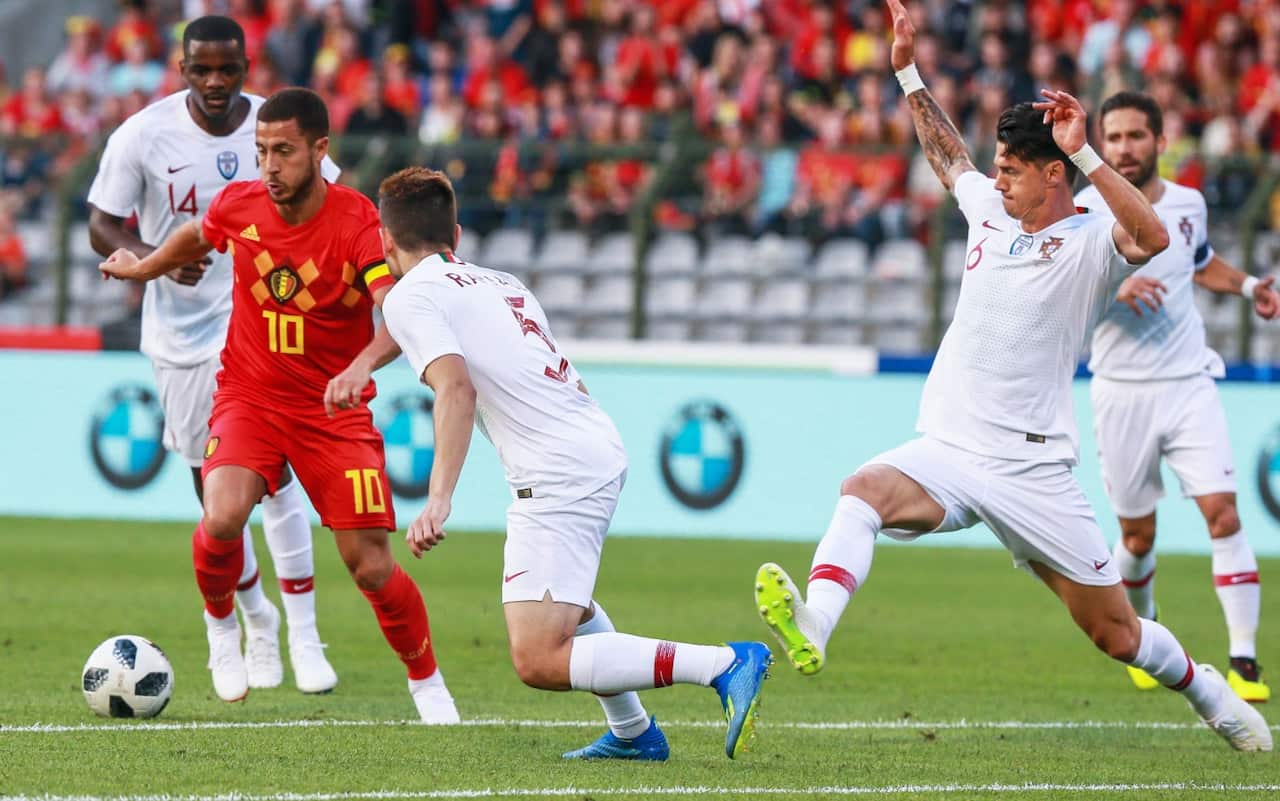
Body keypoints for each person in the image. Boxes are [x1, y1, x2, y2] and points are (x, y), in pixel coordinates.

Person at [752, 0, 1272, 753]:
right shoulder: (989, 215)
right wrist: (904, 68)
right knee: (861, 490)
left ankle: (1210, 692)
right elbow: (945, 153)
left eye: (1012, 170)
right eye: (995, 167)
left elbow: (1154, 236)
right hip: (952, 447)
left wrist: (1091, 153)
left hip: (1033, 469)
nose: (994, 180)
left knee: (1117, 633)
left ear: (1054, 175)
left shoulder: (1092, 237)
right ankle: (815, 623)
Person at [375, 166, 771, 760]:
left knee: (537, 656)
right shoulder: (501, 281)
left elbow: (456, 390)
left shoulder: (409, 295)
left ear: (385, 242)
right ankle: (634, 734)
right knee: (568, 602)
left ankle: (725, 663)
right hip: (588, 444)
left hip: (558, 470)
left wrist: (438, 499)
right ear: (455, 233)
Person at [98, 87, 459, 724]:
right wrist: (146, 268)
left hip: (332, 411)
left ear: (321, 151)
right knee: (221, 515)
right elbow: (197, 236)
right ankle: (222, 633)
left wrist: (360, 365)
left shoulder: (356, 226)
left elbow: (397, 315)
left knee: (370, 565)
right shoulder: (241, 205)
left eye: (284, 151)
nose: (268, 165)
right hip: (250, 396)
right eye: (261, 150)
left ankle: (427, 682)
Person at [87, 16, 337, 696]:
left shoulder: (276, 126)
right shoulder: (144, 134)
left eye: (229, 69)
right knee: (217, 497)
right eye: (203, 70)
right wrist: (153, 260)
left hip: (265, 321)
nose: (217, 82)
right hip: (183, 338)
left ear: (247, 65)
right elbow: (101, 221)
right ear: (183, 68)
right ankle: (255, 616)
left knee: (278, 474)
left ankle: (305, 632)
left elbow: (330, 199)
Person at [1075, 90, 1279, 702]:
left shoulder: (1189, 203)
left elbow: (1200, 261)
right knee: (1136, 537)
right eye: (1113, 138)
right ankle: (1145, 635)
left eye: (1136, 136)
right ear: (1100, 144)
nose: (1124, 148)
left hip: (1189, 383)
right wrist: (1115, 290)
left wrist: (1247, 286)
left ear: (1161, 142)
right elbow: (1065, 300)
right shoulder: (1085, 212)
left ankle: (1244, 662)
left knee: (1224, 513)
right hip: (1120, 392)